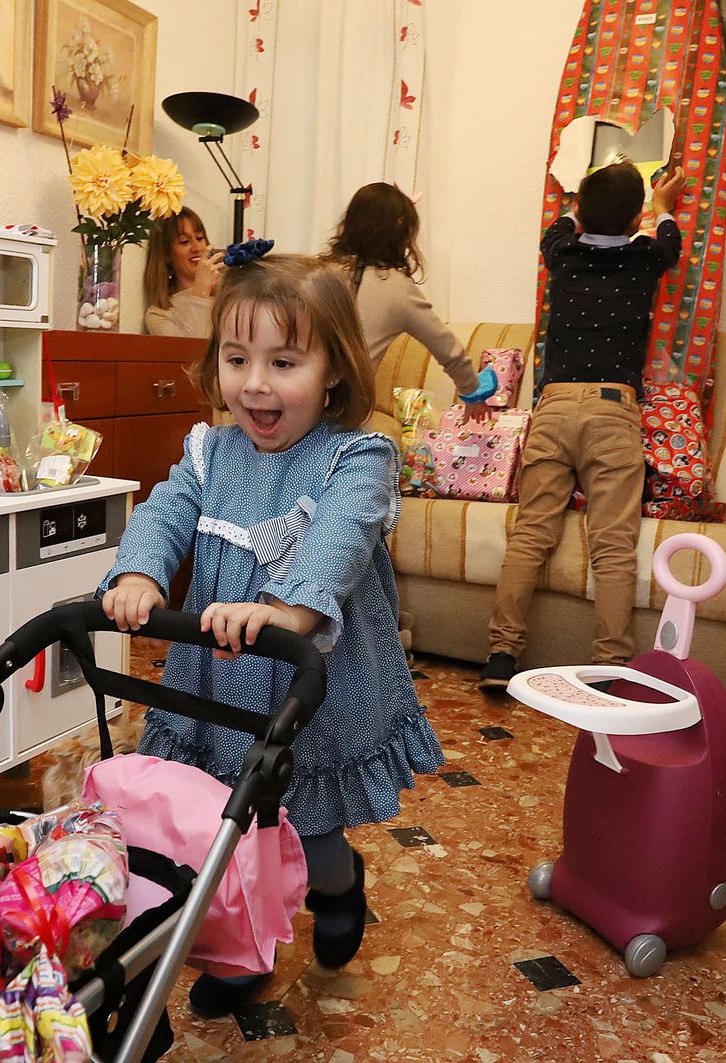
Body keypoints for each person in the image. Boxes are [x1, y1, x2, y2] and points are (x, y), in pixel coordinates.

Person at [101, 247, 443, 1017]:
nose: (255, 382)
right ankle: (239, 948)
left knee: (304, 826)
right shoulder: (208, 451)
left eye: (284, 360)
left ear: (334, 372)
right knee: (223, 822)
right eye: (236, 357)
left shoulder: (355, 458)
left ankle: (338, 884)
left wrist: (287, 607)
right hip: (216, 681)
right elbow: (162, 513)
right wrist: (140, 574)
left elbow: (342, 538)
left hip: (306, 684)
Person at [479, 163, 686, 690]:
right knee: (613, 544)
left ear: (578, 211)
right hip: (612, 410)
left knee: (531, 535)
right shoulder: (645, 257)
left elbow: (557, 230)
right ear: (636, 216)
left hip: (554, 406)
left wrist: (578, 204)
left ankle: (501, 656)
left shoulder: (563, 255)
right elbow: (670, 243)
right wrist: (664, 207)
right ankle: (613, 666)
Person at [322, 182, 494, 418]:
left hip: (296, 406)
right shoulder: (395, 287)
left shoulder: (318, 272)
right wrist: (473, 391)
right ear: (400, 234)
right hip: (346, 416)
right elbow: (447, 347)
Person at [142, 207, 226, 337]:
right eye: (184, 241)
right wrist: (200, 294)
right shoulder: (159, 314)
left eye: (199, 238)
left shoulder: (228, 292)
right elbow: (195, 352)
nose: (197, 248)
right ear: (165, 254)